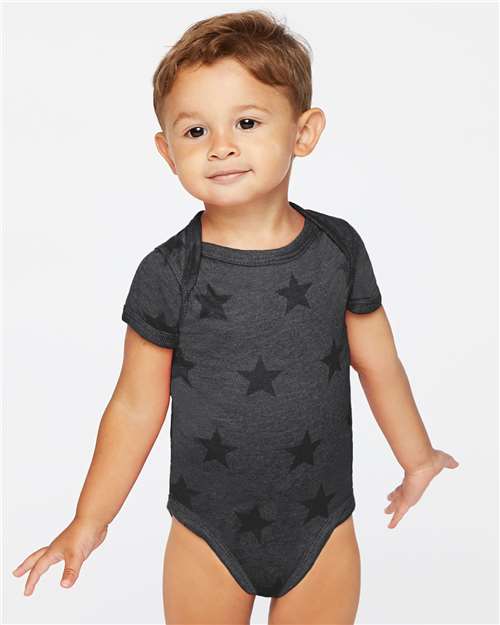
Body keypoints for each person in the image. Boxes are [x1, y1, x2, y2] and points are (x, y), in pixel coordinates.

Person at [12, 9, 459, 625]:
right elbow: (136, 405)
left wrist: (417, 458)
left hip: (322, 526)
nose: (221, 145)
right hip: (208, 534)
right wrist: (90, 520)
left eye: (247, 122)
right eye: (195, 131)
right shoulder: (169, 272)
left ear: (304, 132)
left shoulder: (339, 249)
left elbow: (379, 362)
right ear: (167, 152)